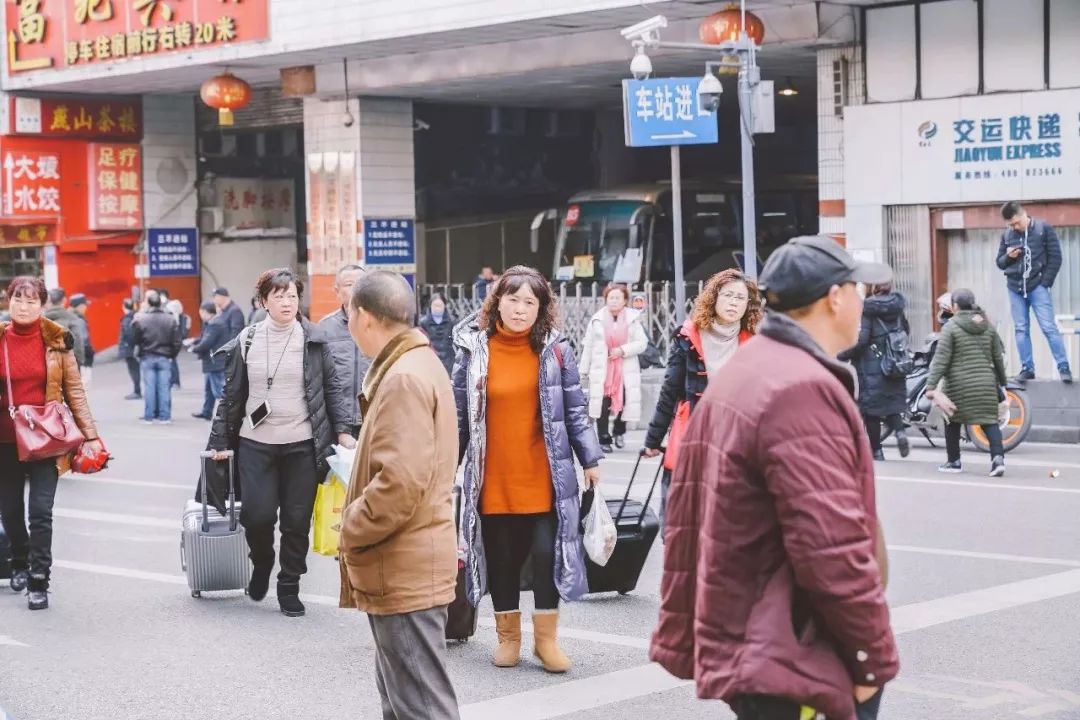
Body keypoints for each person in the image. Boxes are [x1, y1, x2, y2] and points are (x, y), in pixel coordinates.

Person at [650, 236, 899, 720]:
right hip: (797, 650)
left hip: (756, 640)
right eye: (858, 289)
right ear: (834, 297)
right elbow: (829, 546)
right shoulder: (799, 387)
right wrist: (871, 663)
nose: (863, 301)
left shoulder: (749, 370)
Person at [453, 266, 602, 673]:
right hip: (493, 474)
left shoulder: (556, 350)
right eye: (513, 299)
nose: (520, 309)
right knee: (502, 556)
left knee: (545, 554)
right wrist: (444, 462)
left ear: (542, 308)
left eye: (529, 302)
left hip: (544, 474)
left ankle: (546, 641)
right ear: (497, 301)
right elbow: (458, 417)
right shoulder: (474, 350)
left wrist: (590, 458)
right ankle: (508, 638)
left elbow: (575, 408)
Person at [339, 271, 460, 720]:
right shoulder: (417, 362)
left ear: (365, 317)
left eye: (348, 312)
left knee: (421, 708)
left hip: (404, 564)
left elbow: (399, 483)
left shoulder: (404, 377)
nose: (347, 322)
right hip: (409, 561)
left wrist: (351, 526)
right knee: (403, 702)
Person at [208, 268, 353, 618]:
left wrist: (344, 430)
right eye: (279, 296)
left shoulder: (314, 339)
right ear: (263, 301)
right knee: (256, 517)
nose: (287, 302)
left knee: (296, 519)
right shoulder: (247, 339)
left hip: (302, 443)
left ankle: (290, 583)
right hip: (255, 442)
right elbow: (232, 395)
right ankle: (262, 561)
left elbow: (332, 389)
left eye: (292, 296)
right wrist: (219, 440)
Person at [0, 276, 103, 610]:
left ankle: (39, 578)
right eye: (18, 299)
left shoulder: (58, 340)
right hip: (4, 440)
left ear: (42, 305)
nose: (24, 306)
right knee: (10, 510)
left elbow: (74, 391)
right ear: (8, 300)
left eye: (32, 301)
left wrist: (91, 437)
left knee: (41, 511)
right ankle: (19, 559)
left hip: (46, 439)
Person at [643, 269, 761, 525]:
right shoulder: (688, 336)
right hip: (691, 437)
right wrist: (653, 438)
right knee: (684, 519)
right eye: (728, 295)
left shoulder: (755, 344)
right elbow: (669, 391)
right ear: (714, 298)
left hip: (735, 442)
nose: (733, 302)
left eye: (740, 298)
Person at [924, 288, 1008, 477]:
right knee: (989, 422)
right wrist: (1003, 383)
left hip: (958, 384)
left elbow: (941, 359)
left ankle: (954, 461)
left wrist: (931, 386)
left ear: (954, 306)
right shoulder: (988, 325)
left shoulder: (951, 327)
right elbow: (997, 358)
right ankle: (998, 460)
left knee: (952, 420)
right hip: (986, 383)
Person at [997, 201, 1071, 383]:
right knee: (1021, 329)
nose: (1015, 227)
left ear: (1024, 215)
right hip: (1014, 287)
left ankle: (1063, 366)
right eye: (1011, 225)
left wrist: (1045, 283)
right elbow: (999, 262)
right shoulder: (1007, 235)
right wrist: (1009, 257)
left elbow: (1056, 258)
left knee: (1049, 327)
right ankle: (1027, 368)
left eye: (1016, 223)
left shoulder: (1043, 229)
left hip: (1037, 286)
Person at [839, 282, 912, 461]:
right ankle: (900, 432)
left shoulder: (868, 309)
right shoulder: (897, 308)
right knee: (892, 404)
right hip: (894, 363)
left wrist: (842, 355)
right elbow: (906, 331)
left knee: (871, 411)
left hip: (870, 365)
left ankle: (877, 451)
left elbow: (862, 340)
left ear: (871, 287)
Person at [579, 284, 648, 453]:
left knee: (625, 401)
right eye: (611, 297)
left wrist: (623, 350)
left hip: (625, 369)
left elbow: (642, 343)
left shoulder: (633, 319)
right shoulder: (597, 319)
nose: (614, 301)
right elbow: (588, 345)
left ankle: (619, 431)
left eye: (618, 297)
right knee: (602, 404)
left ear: (625, 300)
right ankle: (603, 438)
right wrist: (583, 369)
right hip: (602, 369)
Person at [318, 264, 371, 437]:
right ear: (337, 290)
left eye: (361, 283)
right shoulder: (325, 328)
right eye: (349, 284)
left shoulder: (381, 324)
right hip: (337, 422)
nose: (356, 289)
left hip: (374, 419)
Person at [131, 291, 182, 425]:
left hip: (147, 356)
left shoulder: (142, 319)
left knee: (149, 388)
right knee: (164, 388)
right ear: (161, 302)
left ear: (149, 303)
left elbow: (136, 339)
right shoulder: (170, 319)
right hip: (165, 357)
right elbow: (177, 341)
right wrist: (172, 355)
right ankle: (165, 417)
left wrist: (141, 351)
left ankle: (149, 416)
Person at [187, 302, 229, 420]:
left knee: (218, 391)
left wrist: (193, 349)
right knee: (209, 389)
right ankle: (207, 412)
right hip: (214, 360)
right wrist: (195, 342)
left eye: (200, 312)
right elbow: (205, 338)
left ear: (205, 312)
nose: (200, 315)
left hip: (215, 361)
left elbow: (207, 342)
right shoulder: (214, 322)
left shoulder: (215, 324)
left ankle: (228, 415)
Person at [43, 288, 85, 367]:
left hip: (48, 365)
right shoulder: (72, 318)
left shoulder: (41, 320)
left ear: (49, 301)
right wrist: (79, 361)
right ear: (64, 300)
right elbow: (78, 341)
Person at [418, 293, 455, 375]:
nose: (437, 308)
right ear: (430, 306)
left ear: (444, 306)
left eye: (440, 305)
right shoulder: (423, 322)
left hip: (448, 361)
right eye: (435, 305)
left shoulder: (452, 321)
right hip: (430, 361)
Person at [118, 298, 141, 400]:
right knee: (136, 369)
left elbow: (129, 334)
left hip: (130, 349)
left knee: (134, 370)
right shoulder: (135, 316)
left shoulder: (127, 319)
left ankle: (137, 391)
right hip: (134, 348)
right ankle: (137, 390)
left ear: (123, 306)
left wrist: (129, 347)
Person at [69, 293, 94, 386]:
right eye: (84, 305)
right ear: (79, 306)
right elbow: (82, 341)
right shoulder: (78, 320)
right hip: (82, 362)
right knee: (83, 388)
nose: (86, 308)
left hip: (75, 361)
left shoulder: (69, 317)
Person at [166, 299, 191, 389]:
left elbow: (179, 331)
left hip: (172, 341)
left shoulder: (175, 317)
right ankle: (174, 381)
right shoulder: (184, 317)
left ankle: (174, 381)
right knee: (172, 361)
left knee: (171, 362)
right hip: (176, 341)